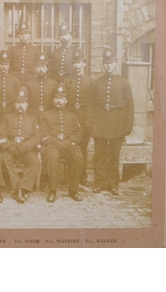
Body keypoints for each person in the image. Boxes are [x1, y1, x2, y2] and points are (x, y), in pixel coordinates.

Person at [91, 48, 134, 195]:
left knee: (114, 155)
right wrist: (91, 125)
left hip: (117, 123)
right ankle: (99, 183)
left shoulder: (124, 83)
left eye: (111, 63)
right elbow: (91, 106)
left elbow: (130, 106)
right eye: (106, 63)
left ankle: (114, 184)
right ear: (103, 65)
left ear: (116, 63)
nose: (108, 66)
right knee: (100, 155)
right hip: (100, 123)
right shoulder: (96, 83)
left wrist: (127, 127)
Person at [40, 83, 84, 203]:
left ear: (66, 100)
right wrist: (56, 143)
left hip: (68, 146)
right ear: (53, 99)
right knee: (52, 156)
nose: (58, 101)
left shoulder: (72, 115)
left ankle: (74, 190)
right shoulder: (45, 115)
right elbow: (43, 134)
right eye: (56, 98)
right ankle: (52, 190)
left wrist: (67, 142)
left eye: (61, 98)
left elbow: (79, 134)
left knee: (78, 156)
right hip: (52, 146)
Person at [0, 88, 41, 203]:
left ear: (27, 104)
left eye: (23, 103)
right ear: (14, 104)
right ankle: (19, 188)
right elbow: (1, 134)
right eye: (18, 102)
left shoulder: (33, 119)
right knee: (5, 159)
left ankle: (22, 188)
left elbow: (36, 137)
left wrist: (26, 147)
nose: (20, 105)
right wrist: (8, 147)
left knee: (35, 161)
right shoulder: (7, 117)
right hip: (11, 147)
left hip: (25, 149)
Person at [63, 48, 94, 185]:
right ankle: (70, 176)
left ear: (84, 63)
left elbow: (91, 104)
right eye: (74, 62)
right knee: (70, 146)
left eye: (79, 62)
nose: (76, 65)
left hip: (83, 117)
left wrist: (88, 122)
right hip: (70, 117)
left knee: (83, 148)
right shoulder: (67, 80)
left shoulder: (90, 81)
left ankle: (83, 176)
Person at [25, 52, 58, 121]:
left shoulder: (53, 84)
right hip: (33, 116)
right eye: (39, 66)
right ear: (35, 68)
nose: (41, 69)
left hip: (49, 116)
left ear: (47, 69)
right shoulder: (29, 84)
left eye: (43, 67)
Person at [10, 21, 40, 86]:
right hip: (16, 79)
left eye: (25, 34)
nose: (23, 36)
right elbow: (10, 67)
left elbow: (38, 67)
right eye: (21, 34)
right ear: (18, 36)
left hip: (30, 80)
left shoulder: (35, 50)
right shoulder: (13, 50)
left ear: (29, 35)